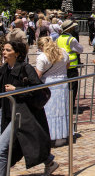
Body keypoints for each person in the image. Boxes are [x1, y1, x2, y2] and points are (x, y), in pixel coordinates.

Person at [0, 41, 59, 175]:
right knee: (20, 144)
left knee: (2, 149)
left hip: (22, 115)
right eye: (4, 50)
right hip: (7, 113)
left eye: (8, 50)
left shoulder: (26, 68)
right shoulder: (4, 69)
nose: (4, 52)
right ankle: (49, 161)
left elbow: (37, 89)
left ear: (17, 53)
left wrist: (17, 89)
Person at [35, 37, 69, 147]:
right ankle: (62, 134)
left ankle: (50, 135)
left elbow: (38, 75)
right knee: (62, 110)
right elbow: (67, 66)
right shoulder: (63, 52)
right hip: (63, 83)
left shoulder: (42, 57)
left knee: (49, 111)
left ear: (41, 46)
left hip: (48, 84)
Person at [56, 20, 83, 110]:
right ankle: (71, 106)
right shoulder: (71, 39)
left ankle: (63, 105)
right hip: (71, 66)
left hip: (61, 66)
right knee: (72, 88)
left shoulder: (58, 38)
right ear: (70, 28)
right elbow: (80, 50)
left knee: (63, 87)